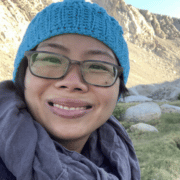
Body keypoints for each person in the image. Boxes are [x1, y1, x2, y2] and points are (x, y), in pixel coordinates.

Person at [0, 0, 141, 179]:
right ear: (23, 74)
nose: (72, 82)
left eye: (98, 67)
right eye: (51, 60)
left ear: (118, 88)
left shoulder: (121, 159)